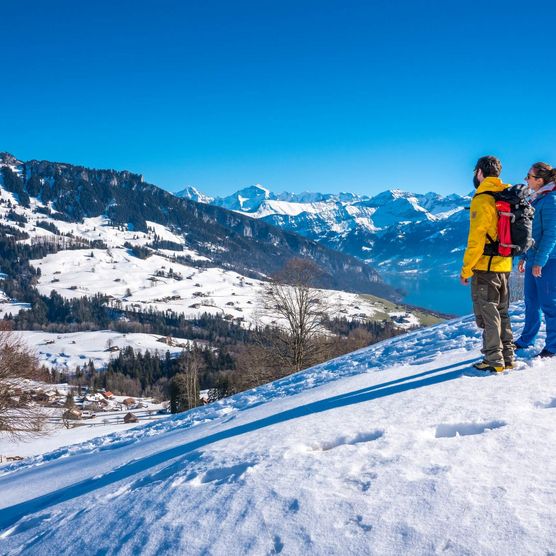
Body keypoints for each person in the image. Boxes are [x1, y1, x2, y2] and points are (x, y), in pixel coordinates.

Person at [460, 156, 514, 372]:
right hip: (504, 265)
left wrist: (466, 270)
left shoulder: (482, 199)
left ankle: (494, 360)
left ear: (480, 172)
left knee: (488, 314)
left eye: (475, 172)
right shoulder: (507, 195)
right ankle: (508, 357)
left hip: (486, 268)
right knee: (502, 312)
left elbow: (476, 240)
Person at [514, 162, 556, 357]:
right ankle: (526, 339)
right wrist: (525, 256)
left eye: (529, 176)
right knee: (531, 302)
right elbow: (532, 234)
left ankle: (553, 346)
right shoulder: (537, 199)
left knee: (549, 304)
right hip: (533, 258)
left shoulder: (550, 200)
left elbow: (551, 234)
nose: (526, 180)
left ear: (540, 180)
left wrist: (540, 261)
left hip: (548, 261)